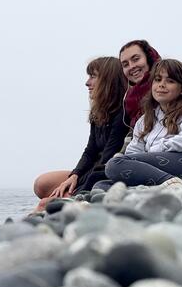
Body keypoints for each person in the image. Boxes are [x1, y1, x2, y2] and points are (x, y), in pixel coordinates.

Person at [94, 59, 182, 189]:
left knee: (114, 164)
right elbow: (134, 152)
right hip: (160, 168)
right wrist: (129, 165)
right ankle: (161, 187)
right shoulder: (145, 120)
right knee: (101, 185)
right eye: (158, 80)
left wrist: (157, 148)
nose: (161, 85)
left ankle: (172, 184)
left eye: (170, 81)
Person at [31, 56, 129, 208]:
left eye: (93, 76)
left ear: (108, 80)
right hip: (92, 168)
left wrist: (77, 193)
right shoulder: (99, 113)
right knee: (41, 184)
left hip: (104, 173)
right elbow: (90, 151)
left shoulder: (123, 113)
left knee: (45, 204)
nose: (87, 83)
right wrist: (74, 175)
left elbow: (107, 160)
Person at [118, 39, 162, 129]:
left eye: (136, 59)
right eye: (125, 65)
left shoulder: (167, 90)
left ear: (149, 59)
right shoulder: (127, 100)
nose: (131, 66)